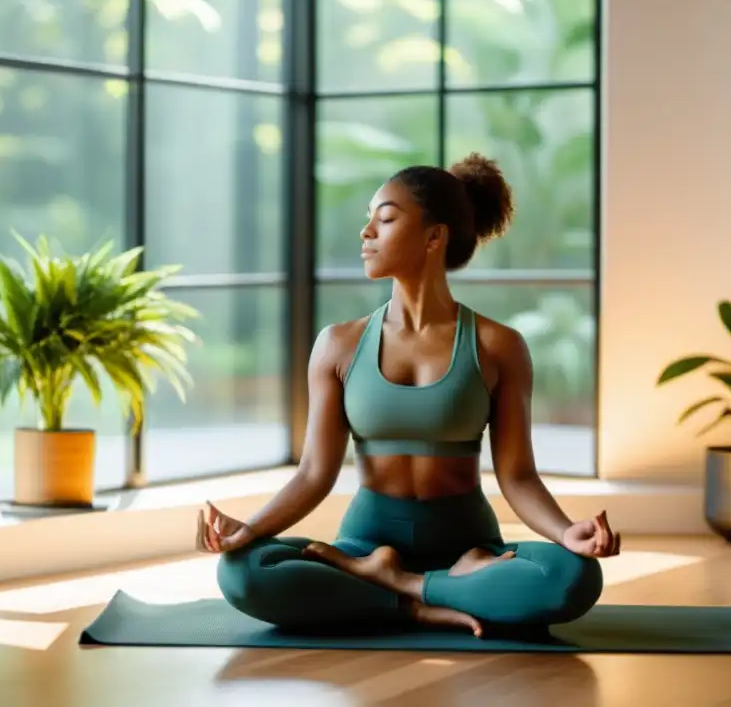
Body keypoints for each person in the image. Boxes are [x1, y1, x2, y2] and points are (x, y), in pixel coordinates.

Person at [196, 153, 620, 638]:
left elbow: (518, 475)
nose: (366, 233)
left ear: (434, 237)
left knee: (574, 577)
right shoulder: (339, 345)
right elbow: (314, 473)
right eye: (368, 220)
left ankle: (395, 587)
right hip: (366, 544)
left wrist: (567, 533)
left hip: (470, 550)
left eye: (386, 218)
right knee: (242, 572)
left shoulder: (498, 346)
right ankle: (419, 599)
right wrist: (248, 531)